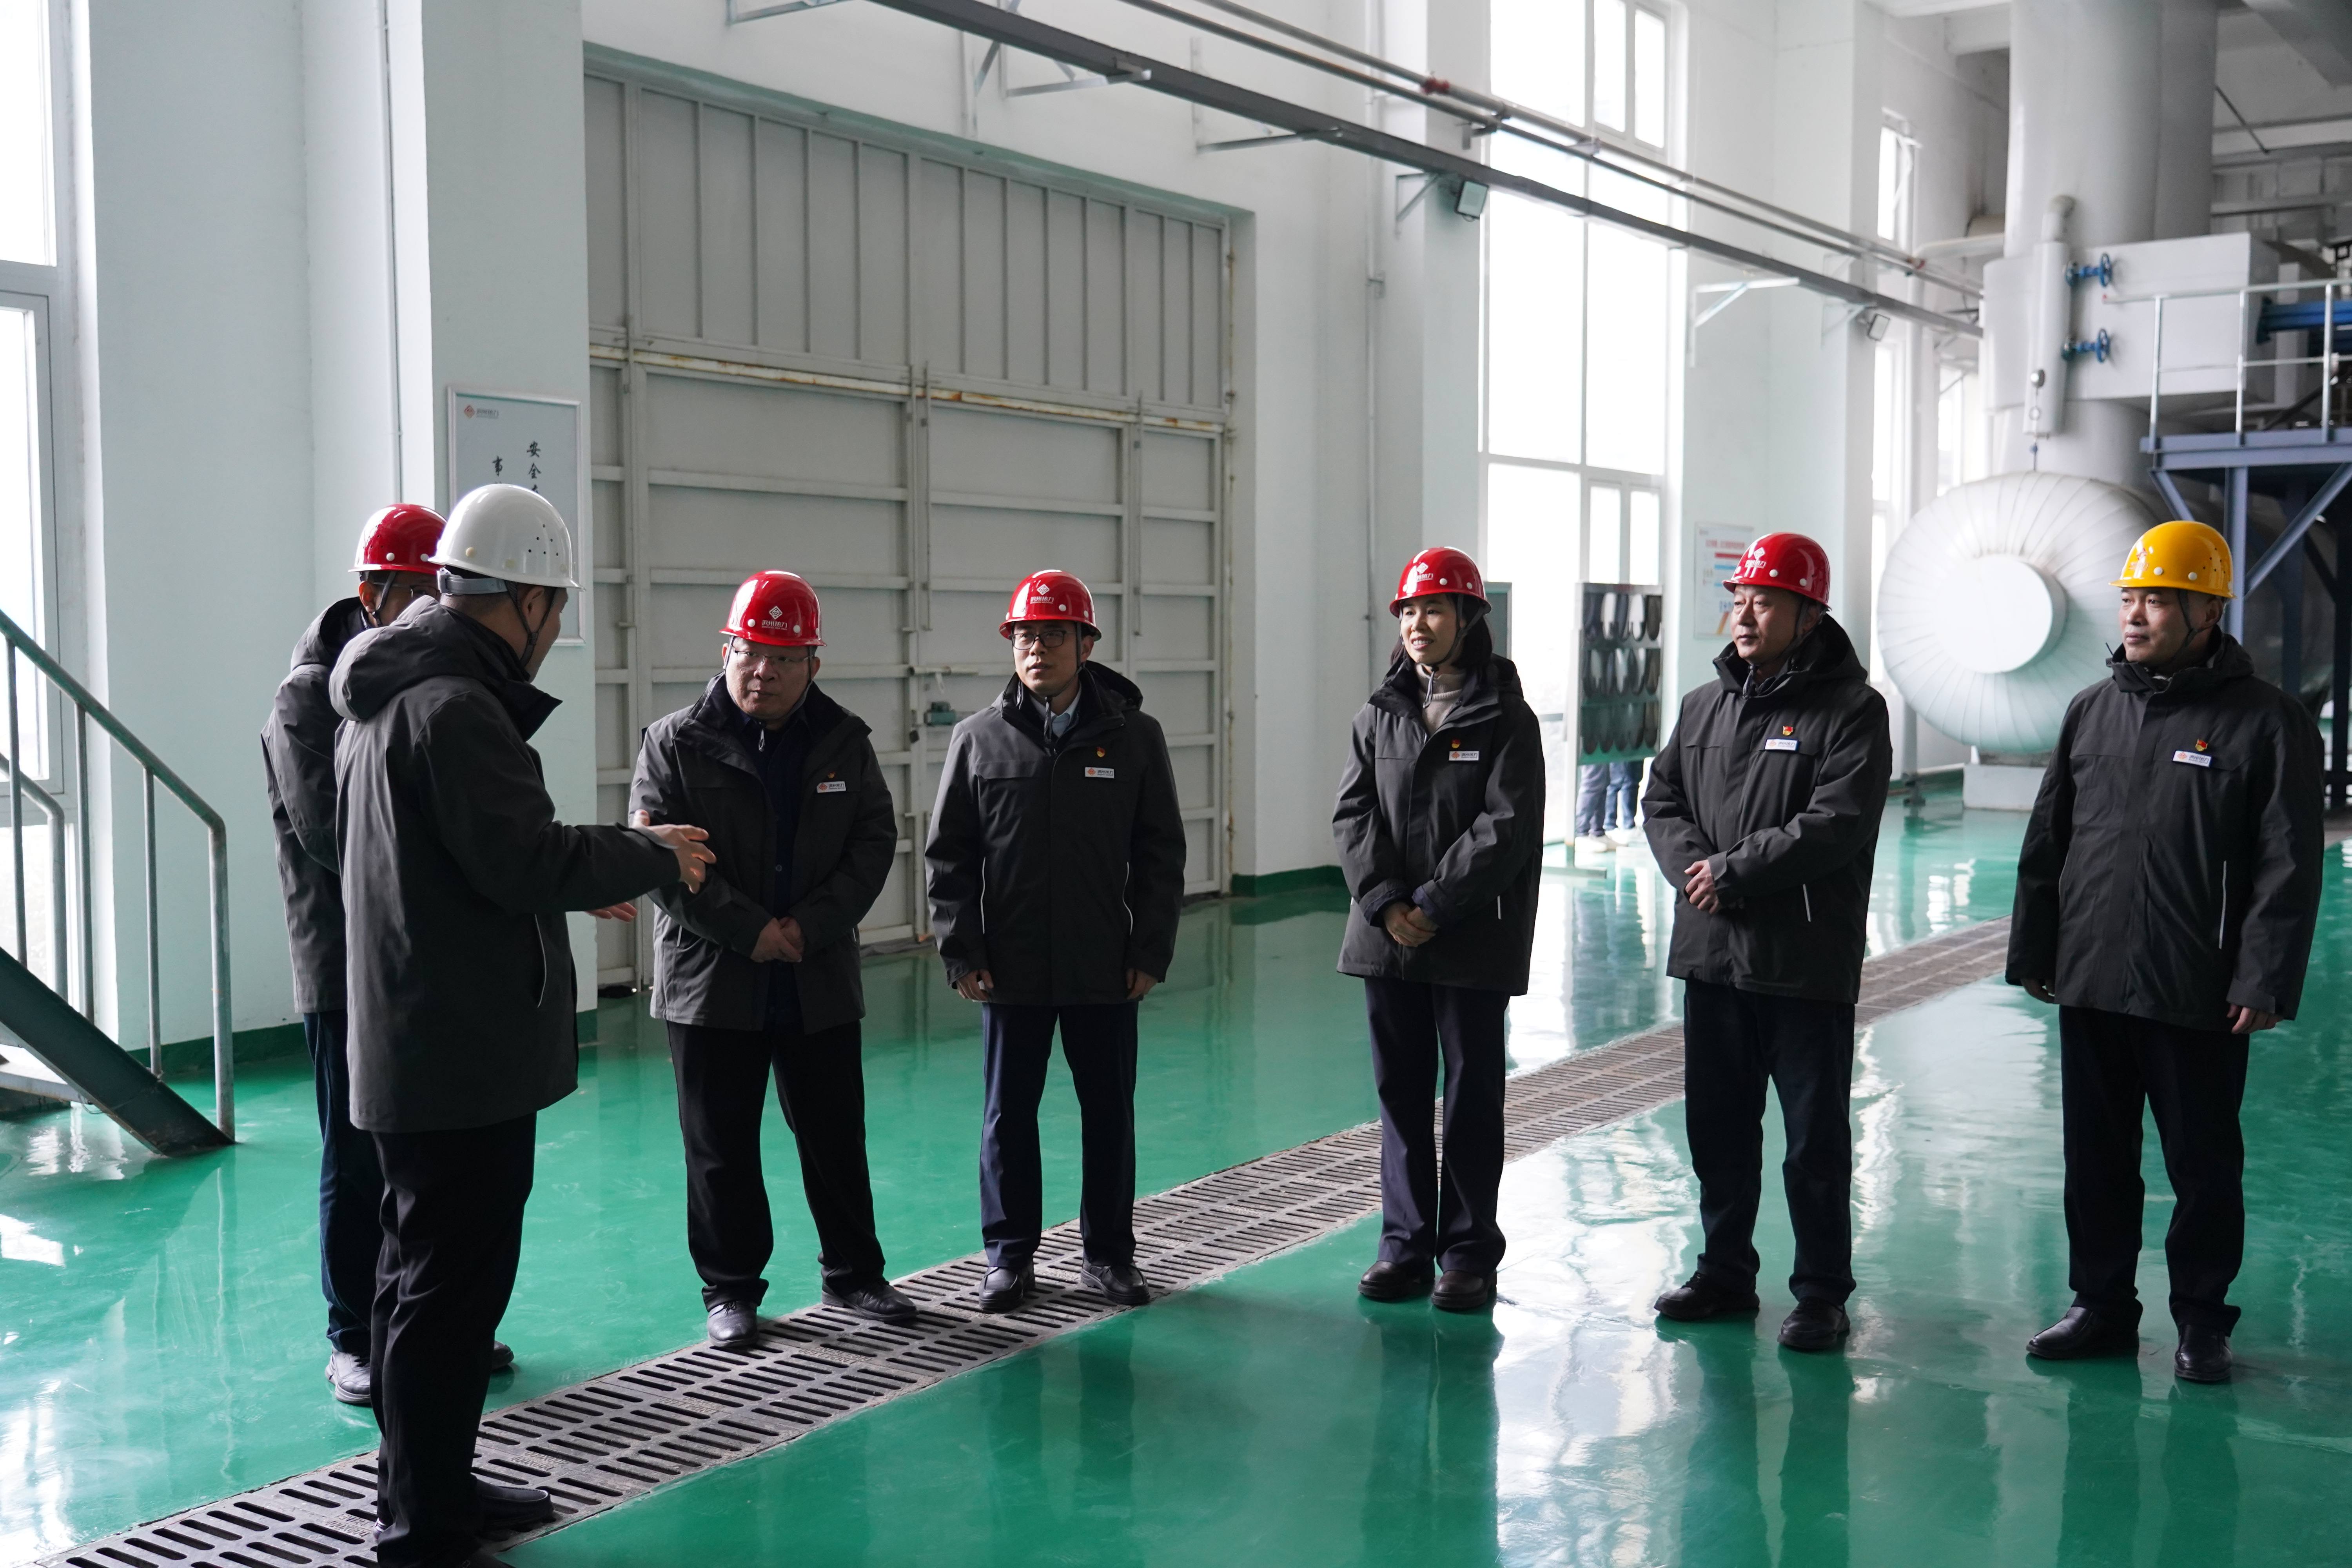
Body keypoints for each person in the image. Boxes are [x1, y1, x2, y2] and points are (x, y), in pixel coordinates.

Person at [333, 484, 715, 1568]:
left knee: (420, 1279)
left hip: (417, 1039)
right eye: (558, 608)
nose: (554, 631)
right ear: (531, 600)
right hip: (458, 1053)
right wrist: (649, 853)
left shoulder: (390, 699)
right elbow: (520, 857)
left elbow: (471, 862)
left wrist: (575, 874)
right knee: (447, 1289)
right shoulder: (455, 708)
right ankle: (421, 1524)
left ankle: (431, 1483)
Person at [2008, 520, 2322, 1384]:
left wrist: (2263, 976)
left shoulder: (2267, 722)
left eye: (2156, 599)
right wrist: (2037, 948)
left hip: (2197, 984)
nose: (2135, 614)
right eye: (2130, 598)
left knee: (2203, 1165)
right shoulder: (2091, 710)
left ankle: (2202, 1320)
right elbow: (2049, 839)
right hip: (2092, 977)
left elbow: (2287, 864)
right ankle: (2101, 1305)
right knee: (2095, 1158)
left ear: (2207, 611)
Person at [262, 503, 510, 1406]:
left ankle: (425, 1326)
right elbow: (338, 837)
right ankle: (352, 1335)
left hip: (414, 953)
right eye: (417, 594)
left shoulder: (420, 681)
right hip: (343, 964)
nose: (432, 613)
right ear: (372, 592)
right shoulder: (307, 698)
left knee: (424, 1159)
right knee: (357, 1154)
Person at [629, 571, 910, 1347]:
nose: (764, 671)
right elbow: (661, 859)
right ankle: (730, 1290)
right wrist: (749, 930)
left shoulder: (843, 741)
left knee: (834, 1134)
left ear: (813, 663)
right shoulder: (674, 742)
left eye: (784, 658)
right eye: (750, 652)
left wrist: (810, 927)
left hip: (815, 974)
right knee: (720, 1144)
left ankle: (854, 1274)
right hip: (711, 979)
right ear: (725, 650)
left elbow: (872, 843)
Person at [1640, 532, 1891, 1352]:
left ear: (1809, 613)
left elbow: (1836, 823)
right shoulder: (1702, 707)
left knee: (1813, 1139)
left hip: (1802, 960)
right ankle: (1724, 1272)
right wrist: (1697, 871)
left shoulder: (1853, 710)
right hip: (1712, 955)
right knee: (1718, 1128)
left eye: (1765, 602)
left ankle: (1820, 1291)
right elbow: (1662, 798)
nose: (1744, 616)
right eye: (1740, 599)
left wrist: (1735, 872)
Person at [924, 568, 1187, 1314]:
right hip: (1009, 968)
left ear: (1086, 644)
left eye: (1054, 635)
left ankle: (1109, 1257)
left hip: (1104, 964)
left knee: (1109, 1115)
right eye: (1025, 636)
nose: (1037, 649)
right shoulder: (979, 739)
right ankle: (1009, 1259)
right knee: (1008, 1116)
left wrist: (1149, 952)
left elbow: (1161, 853)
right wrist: (962, 950)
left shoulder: (1134, 737)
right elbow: (949, 856)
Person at [1334, 546, 1544, 1314]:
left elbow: (1507, 826)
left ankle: (1466, 1252)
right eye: (1410, 611)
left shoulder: (1507, 717)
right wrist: (1389, 901)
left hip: (1470, 936)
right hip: (1385, 938)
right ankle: (1403, 1245)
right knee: (1399, 1094)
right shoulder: (1378, 714)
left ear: (1469, 618)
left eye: (1434, 609)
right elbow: (1353, 813)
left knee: (1471, 1097)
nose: (1418, 623)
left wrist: (1435, 902)